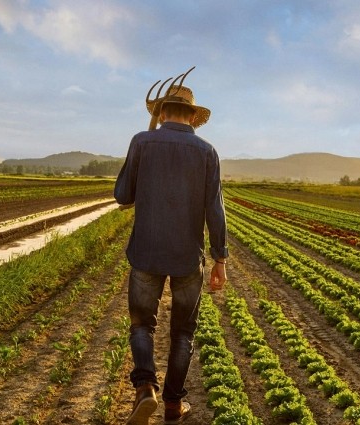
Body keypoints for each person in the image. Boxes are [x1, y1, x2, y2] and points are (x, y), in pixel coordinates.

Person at [114, 68, 228, 425]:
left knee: (141, 325)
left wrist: (138, 154)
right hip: (186, 258)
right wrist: (220, 258)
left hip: (146, 253)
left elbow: (122, 196)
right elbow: (215, 209)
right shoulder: (207, 151)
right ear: (193, 116)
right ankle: (174, 406)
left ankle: (145, 388)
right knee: (183, 331)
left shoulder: (141, 141)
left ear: (161, 113)